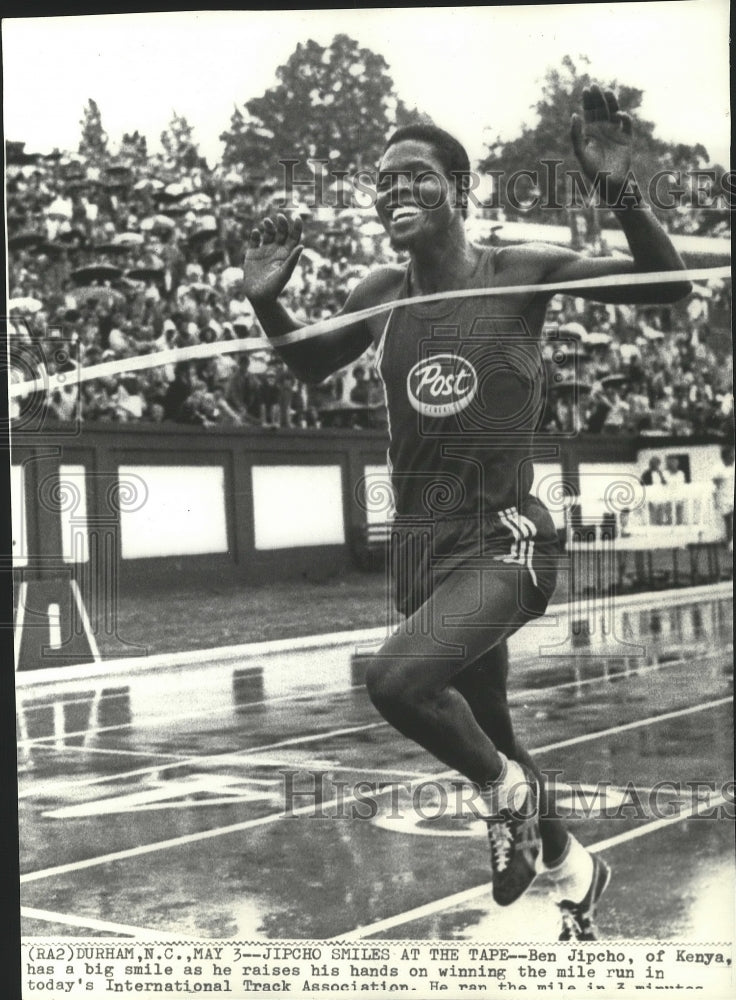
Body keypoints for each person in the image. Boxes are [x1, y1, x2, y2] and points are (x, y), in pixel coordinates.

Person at [243, 85, 691, 939]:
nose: (394, 191)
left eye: (416, 176)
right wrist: (269, 301)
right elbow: (306, 367)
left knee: (397, 682)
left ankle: (506, 801)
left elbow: (665, 287)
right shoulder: (382, 288)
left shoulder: (518, 271)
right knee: (491, 730)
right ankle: (574, 868)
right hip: (424, 552)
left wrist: (619, 189)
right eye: (383, 182)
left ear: (461, 187)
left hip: (507, 541)